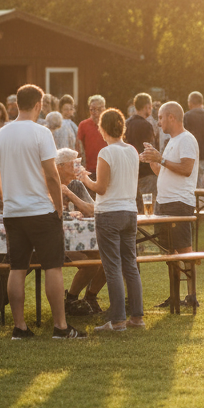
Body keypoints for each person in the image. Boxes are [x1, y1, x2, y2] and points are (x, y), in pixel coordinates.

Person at [0, 83, 86, 340]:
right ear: (39, 105)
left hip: (13, 212)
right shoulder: (41, 133)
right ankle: (61, 327)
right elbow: (53, 176)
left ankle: (19, 328)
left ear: (16, 104)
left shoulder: (0, 135)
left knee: (17, 268)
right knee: (53, 267)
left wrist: (4, 196)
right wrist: (59, 207)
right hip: (41, 210)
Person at [79, 109, 145, 332]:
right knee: (130, 265)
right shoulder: (132, 151)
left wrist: (84, 178)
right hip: (129, 211)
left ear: (103, 129)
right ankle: (137, 317)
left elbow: (101, 187)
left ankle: (117, 320)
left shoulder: (106, 153)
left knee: (113, 267)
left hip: (109, 213)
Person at [139, 102, 198, 307]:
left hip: (179, 202)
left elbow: (186, 169)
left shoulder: (187, 139)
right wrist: (153, 161)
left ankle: (191, 296)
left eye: (161, 117)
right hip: (163, 203)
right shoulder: (172, 140)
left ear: (172, 117)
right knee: (168, 251)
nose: (158, 121)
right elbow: (164, 171)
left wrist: (161, 159)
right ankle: (174, 296)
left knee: (184, 249)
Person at [55, 148, 107, 315]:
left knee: (107, 257)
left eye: (78, 163)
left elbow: (92, 210)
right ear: (60, 166)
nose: (78, 166)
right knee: (90, 264)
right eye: (74, 164)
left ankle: (89, 298)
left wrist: (70, 194)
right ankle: (71, 300)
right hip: (56, 240)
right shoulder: (49, 182)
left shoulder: (76, 185)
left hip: (79, 238)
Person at [124, 92, 158, 214]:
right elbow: (150, 149)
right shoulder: (147, 125)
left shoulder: (126, 124)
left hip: (131, 171)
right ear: (147, 107)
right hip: (146, 171)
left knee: (135, 207)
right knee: (149, 207)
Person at [77, 95, 108, 185]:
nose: (96, 113)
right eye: (92, 109)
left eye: (99, 109)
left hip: (107, 170)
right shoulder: (83, 125)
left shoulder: (109, 125)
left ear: (104, 109)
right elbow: (78, 147)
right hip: (90, 171)